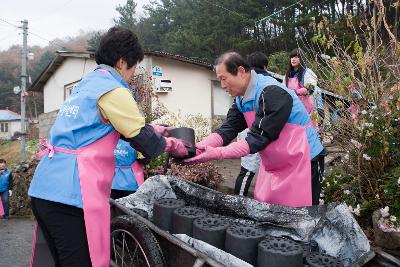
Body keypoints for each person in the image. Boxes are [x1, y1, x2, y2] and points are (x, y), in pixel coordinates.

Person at [28, 27, 190, 267]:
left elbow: (101, 129)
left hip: (45, 189)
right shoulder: (114, 90)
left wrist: (152, 128)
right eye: (134, 67)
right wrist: (172, 145)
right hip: (72, 194)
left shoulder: (87, 85)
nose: (133, 74)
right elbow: (144, 141)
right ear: (122, 61)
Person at [184, 51, 325, 207]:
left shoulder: (272, 92)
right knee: (274, 212)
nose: (222, 85)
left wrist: (216, 153)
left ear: (241, 72)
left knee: (304, 214)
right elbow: (229, 127)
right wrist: (201, 147)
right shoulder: (241, 97)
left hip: (305, 160)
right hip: (276, 163)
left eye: (224, 79)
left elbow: (258, 138)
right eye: (219, 80)